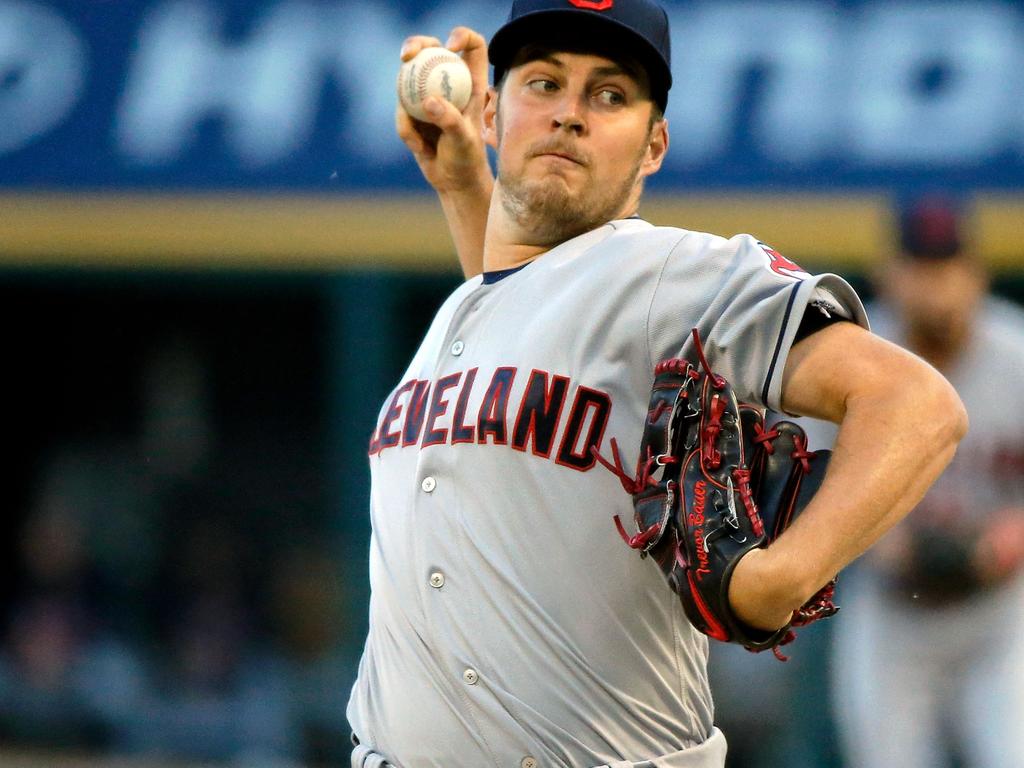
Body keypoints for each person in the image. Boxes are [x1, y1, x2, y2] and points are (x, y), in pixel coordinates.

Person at [346, 2, 967, 765]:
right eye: (543, 83)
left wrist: (782, 577)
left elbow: (918, 404)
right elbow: (532, 320)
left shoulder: (673, 273)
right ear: (489, 110)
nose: (570, 114)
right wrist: (465, 185)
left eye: (610, 95)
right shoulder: (469, 308)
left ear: (654, 146)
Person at [829, 198, 1024, 768]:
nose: (935, 285)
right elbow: (806, 466)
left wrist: (1014, 535)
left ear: (977, 275)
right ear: (891, 275)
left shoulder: (1017, 355)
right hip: (894, 615)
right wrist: (870, 537)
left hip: (1002, 615)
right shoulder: (855, 357)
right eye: (920, 267)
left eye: (948, 267)